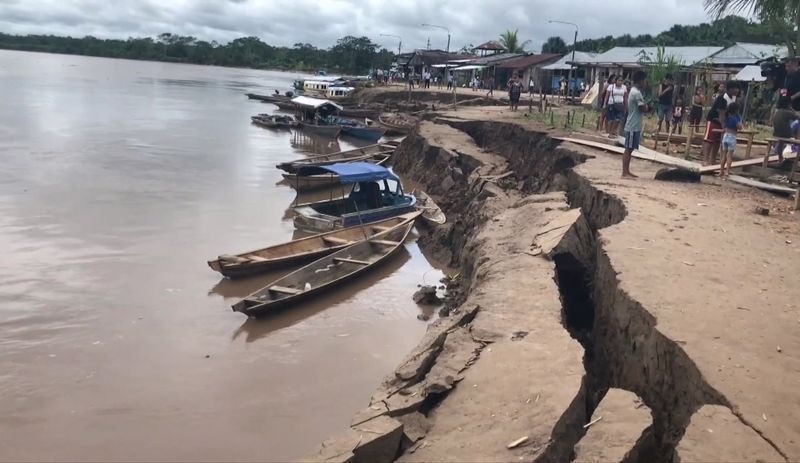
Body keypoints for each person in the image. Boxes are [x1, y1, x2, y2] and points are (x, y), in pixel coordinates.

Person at [702, 82, 739, 165]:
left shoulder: (734, 99)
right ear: (730, 89)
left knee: (718, 141)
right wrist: (724, 127)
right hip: (713, 120)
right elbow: (721, 113)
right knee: (709, 140)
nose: (737, 90)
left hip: (723, 122)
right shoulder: (722, 98)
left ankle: (713, 160)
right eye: (735, 88)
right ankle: (705, 160)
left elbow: (732, 113)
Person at [622, 70, 648, 178]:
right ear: (641, 80)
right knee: (628, 148)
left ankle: (627, 171)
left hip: (634, 124)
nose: (645, 83)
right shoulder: (636, 93)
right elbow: (642, 108)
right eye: (644, 80)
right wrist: (648, 107)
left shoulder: (634, 91)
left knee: (630, 148)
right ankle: (625, 172)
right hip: (633, 125)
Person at [718, 102, 743, 178]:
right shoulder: (736, 117)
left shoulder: (727, 116)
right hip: (732, 136)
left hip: (725, 136)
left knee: (724, 155)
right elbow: (739, 127)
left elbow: (724, 125)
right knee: (729, 156)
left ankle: (721, 170)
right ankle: (727, 171)